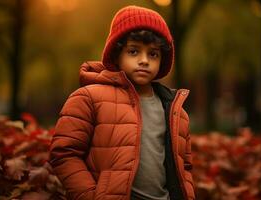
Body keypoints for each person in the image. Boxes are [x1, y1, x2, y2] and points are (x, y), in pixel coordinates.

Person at [49, 5, 195, 200]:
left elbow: (184, 167)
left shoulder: (175, 111)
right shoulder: (88, 98)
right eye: (134, 51)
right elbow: (64, 153)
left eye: (153, 54)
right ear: (116, 54)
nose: (144, 60)